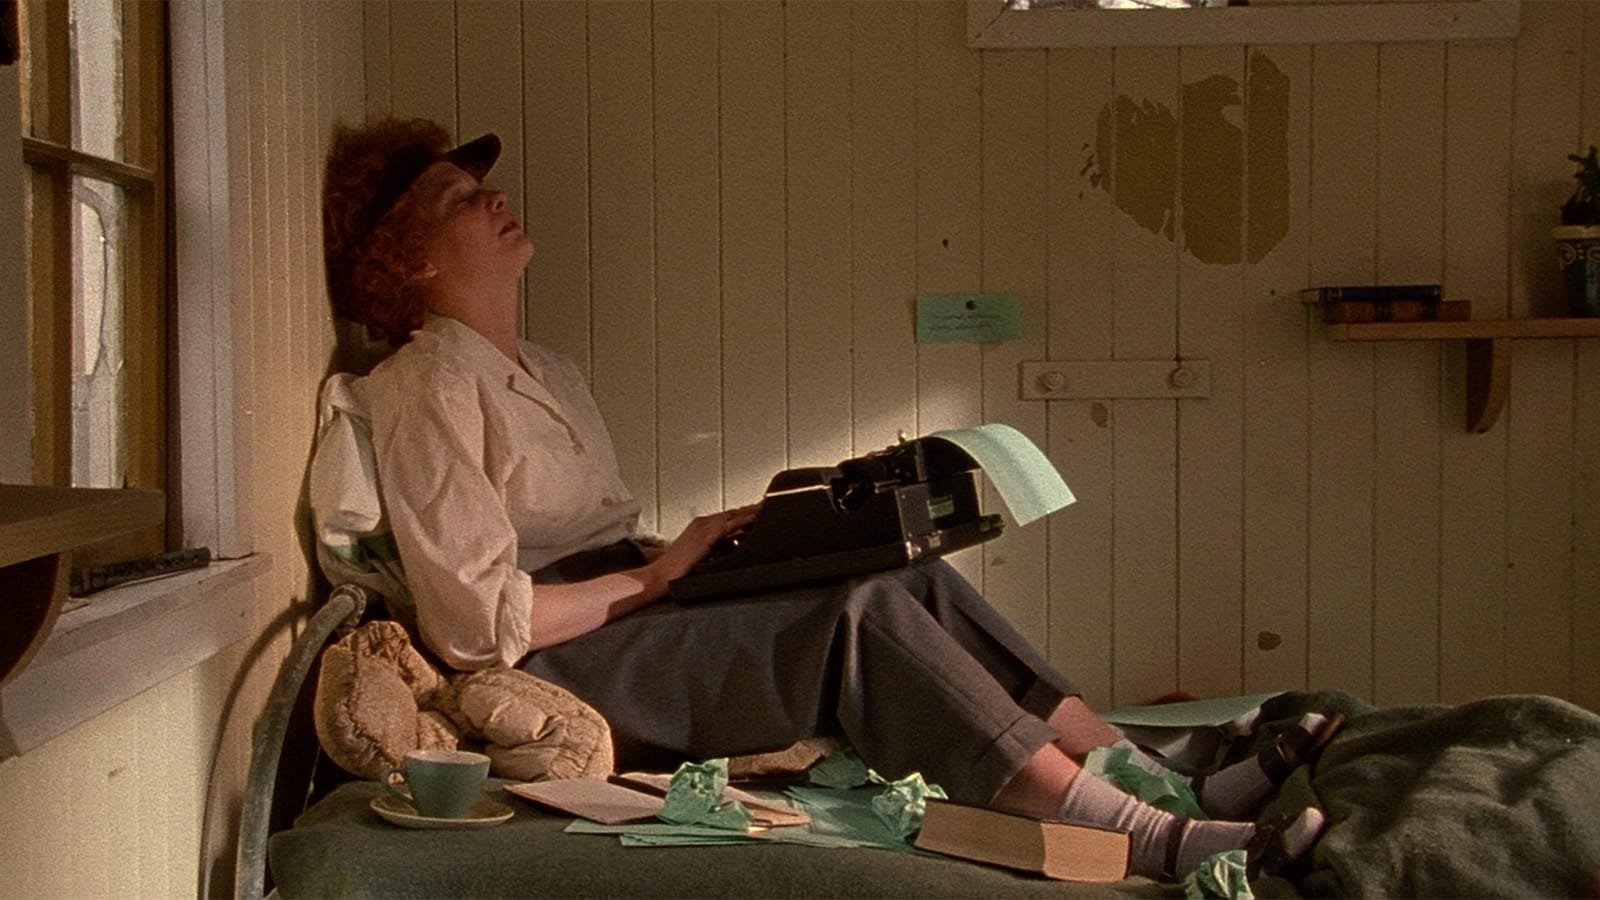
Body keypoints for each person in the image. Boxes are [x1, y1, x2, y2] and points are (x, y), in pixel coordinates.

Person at [321, 116, 1330, 882]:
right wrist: (662, 575)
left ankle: (1159, 775)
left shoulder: (548, 370)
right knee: (858, 614)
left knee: (896, 570)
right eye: (459, 198)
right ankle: (1141, 836)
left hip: (633, 602)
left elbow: (609, 544)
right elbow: (472, 627)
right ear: (411, 259)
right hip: (569, 661)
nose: (495, 198)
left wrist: (728, 553)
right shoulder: (423, 383)